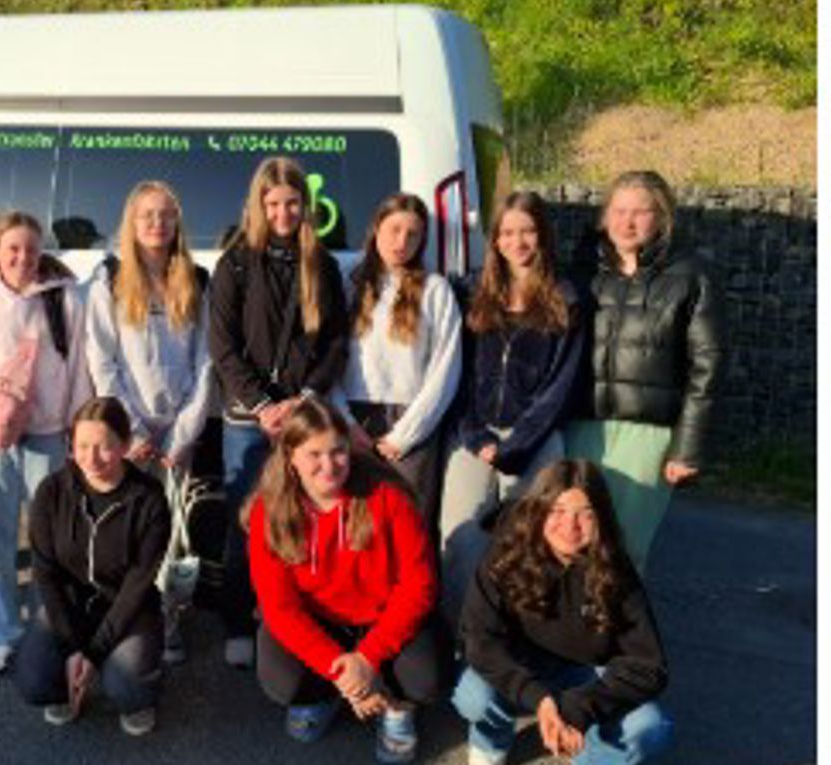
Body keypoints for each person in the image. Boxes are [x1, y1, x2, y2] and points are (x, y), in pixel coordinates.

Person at [208, 156, 349, 668]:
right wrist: (265, 404)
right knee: (246, 521)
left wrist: (306, 396)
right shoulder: (237, 262)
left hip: (304, 417)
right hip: (251, 420)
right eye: (272, 203)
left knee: (303, 521)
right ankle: (239, 619)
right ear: (258, 206)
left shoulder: (323, 264)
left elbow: (336, 342)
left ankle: (292, 621)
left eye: (292, 202)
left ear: (304, 206)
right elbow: (222, 345)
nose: (283, 212)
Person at [248, 399, 445, 763]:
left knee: (426, 677)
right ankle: (326, 696)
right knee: (281, 679)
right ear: (290, 455)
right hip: (321, 623)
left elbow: (419, 586)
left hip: (381, 618)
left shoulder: (388, 496)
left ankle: (397, 706)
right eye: (315, 454)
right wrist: (342, 673)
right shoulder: (269, 511)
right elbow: (279, 608)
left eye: (338, 451)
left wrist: (368, 659)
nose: (329, 465)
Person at [0, 210, 93, 674]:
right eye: (12, 248)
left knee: (53, 538)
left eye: (31, 248)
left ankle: (51, 624)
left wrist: (78, 433)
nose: (23, 257)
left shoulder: (64, 300)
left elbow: (79, 371)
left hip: (50, 432)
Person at [453, 459, 674, 765]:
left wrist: (583, 706)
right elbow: (477, 637)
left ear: (602, 518)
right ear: (538, 511)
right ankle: (491, 740)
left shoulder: (615, 568)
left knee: (651, 727)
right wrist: (538, 697)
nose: (570, 527)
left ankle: (590, 754)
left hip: (587, 674)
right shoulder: (506, 553)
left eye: (586, 514)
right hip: (520, 663)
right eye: (557, 511)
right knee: (473, 694)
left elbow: (649, 665)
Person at [564, 171, 724, 572]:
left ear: (663, 216)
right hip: (580, 426)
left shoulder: (691, 275)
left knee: (622, 550)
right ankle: (567, 634)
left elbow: (706, 365)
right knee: (569, 542)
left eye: (640, 211)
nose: (627, 222)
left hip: (648, 435)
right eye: (618, 211)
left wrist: (687, 447)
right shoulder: (582, 270)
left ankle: (615, 633)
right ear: (604, 216)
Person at [439, 190, 584, 624]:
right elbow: (457, 378)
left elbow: (560, 387)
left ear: (542, 236)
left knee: (531, 546)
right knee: (460, 538)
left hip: (534, 441)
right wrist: (476, 436)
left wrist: (516, 446)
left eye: (527, 231)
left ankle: (518, 637)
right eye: (507, 232)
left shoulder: (566, 299)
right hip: (473, 437)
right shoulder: (472, 295)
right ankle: (460, 636)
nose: (517, 242)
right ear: (495, 239)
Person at [85, 180, 214, 664]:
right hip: (129, 434)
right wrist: (130, 432)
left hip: (177, 433)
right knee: (127, 529)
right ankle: (126, 618)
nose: (157, 224)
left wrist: (182, 433)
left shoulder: (197, 280)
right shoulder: (109, 278)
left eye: (166, 215)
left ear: (177, 221)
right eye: (147, 216)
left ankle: (167, 619)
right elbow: (103, 363)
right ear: (131, 223)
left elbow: (206, 363)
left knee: (173, 532)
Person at [13, 397, 171, 736]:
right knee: (33, 682)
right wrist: (72, 648)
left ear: (126, 445)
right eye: (82, 445)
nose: (91, 458)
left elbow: (137, 586)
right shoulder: (52, 491)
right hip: (69, 604)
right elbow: (45, 573)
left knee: (126, 686)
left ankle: (137, 686)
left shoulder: (150, 499)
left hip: (127, 608)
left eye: (104, 446)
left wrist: (94, 654)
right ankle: (68, 679)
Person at [333, 192, 462, 527]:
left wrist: (405, 435)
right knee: (354, 526)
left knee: (407, 526)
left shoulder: (435, 290)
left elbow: (446, 369)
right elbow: (327, 361)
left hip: (412, 424)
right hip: (354, 420)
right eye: (394, 229)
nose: (401, 241)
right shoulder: (348, 285)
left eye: (413, 234)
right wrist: (345, 423)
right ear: (377, 228)